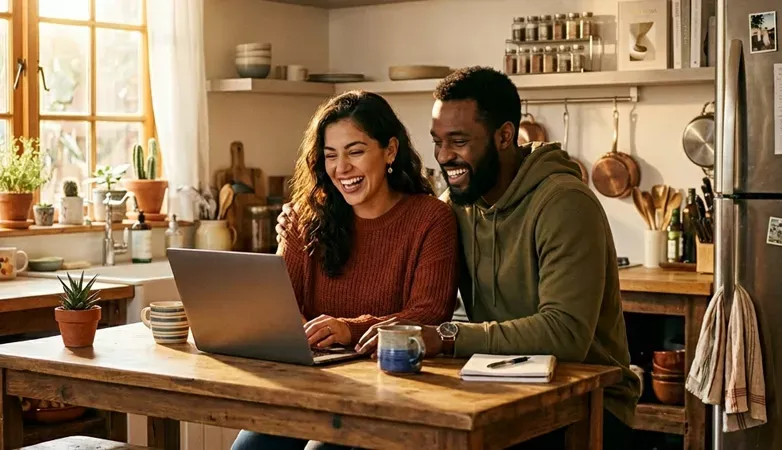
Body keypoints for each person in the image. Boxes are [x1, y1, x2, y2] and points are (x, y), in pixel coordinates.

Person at [277, 67, 640, 449]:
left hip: (587, 403)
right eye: (437, 141)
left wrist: (447, 336)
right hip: (497, 386)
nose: (444, 156)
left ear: (504, 136)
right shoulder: (458, 206)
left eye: (459, 141)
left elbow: (565, 336)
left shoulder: (565, 203)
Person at [231, 90, 460, 450]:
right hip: (308, 385)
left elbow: (428, 314)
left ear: (390, 151)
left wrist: (347, 329)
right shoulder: (304, 218)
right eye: (331, 155)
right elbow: (280, 308)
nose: (342, 168)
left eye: (355, 151)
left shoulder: (431, 218)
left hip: (391, 393)